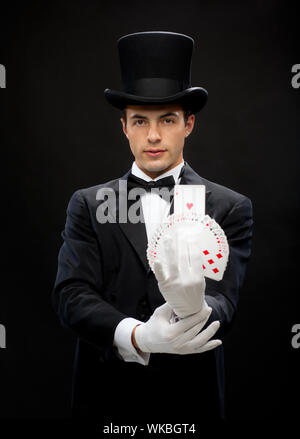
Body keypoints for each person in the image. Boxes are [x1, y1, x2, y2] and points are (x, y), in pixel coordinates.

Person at [52, 31, 253, 424]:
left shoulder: (230, 207)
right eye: (140, 121)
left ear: (189, 123)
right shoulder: (87, 205)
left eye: (168, 120)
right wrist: (136, 336)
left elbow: (224, 306)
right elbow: (71, 294)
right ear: (124, 127)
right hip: (105, 397)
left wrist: (192, 309)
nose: (154, 135)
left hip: (191, 399)